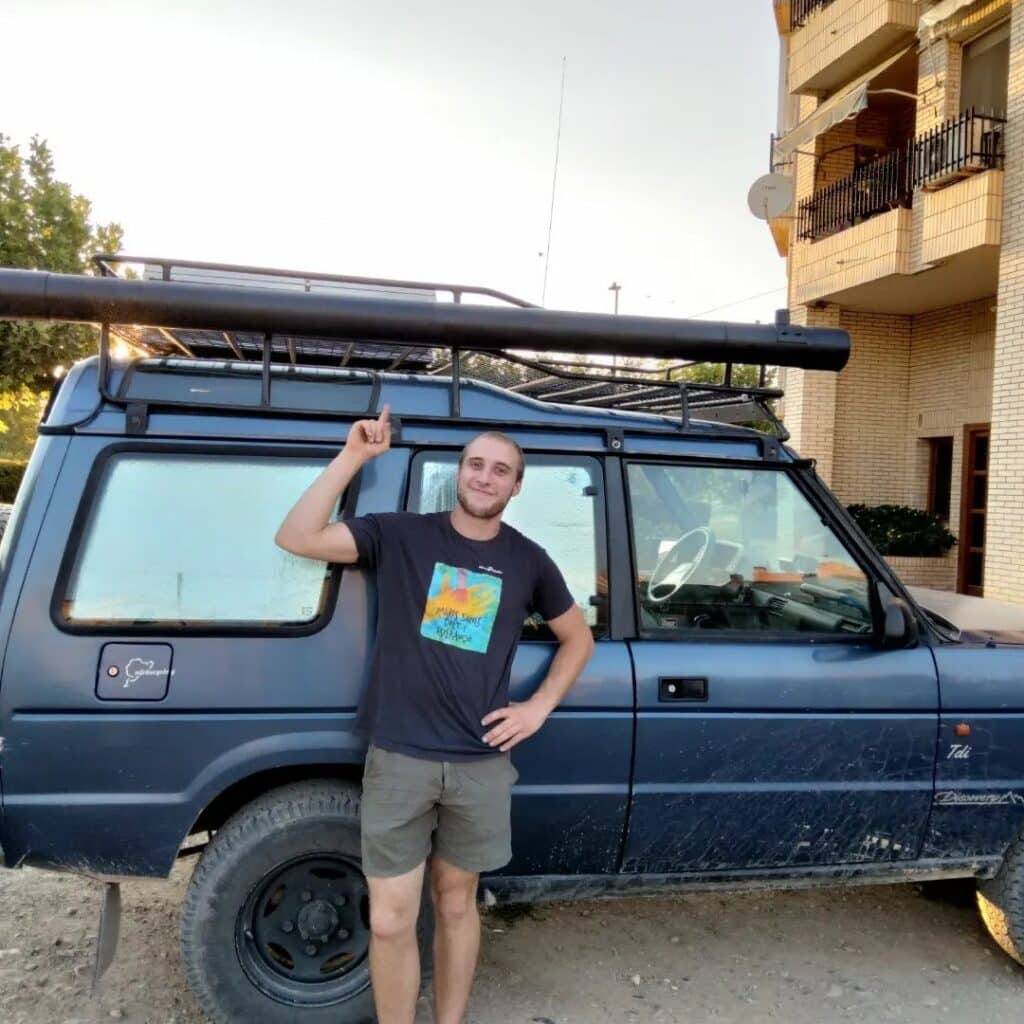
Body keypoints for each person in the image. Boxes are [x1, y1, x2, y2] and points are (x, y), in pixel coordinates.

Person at [275, 405, 595, 1024]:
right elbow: (297, 537)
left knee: (455, 907)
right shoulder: (401, 535)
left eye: (501, 470)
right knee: (392, 918)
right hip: (400, 758)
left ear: (516, 486)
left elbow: (578, 639)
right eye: (476, 464)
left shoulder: (529, 559)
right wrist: (354, 457)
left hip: (480, 765)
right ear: (459, 473)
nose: (485, 476)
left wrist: (537, 707)